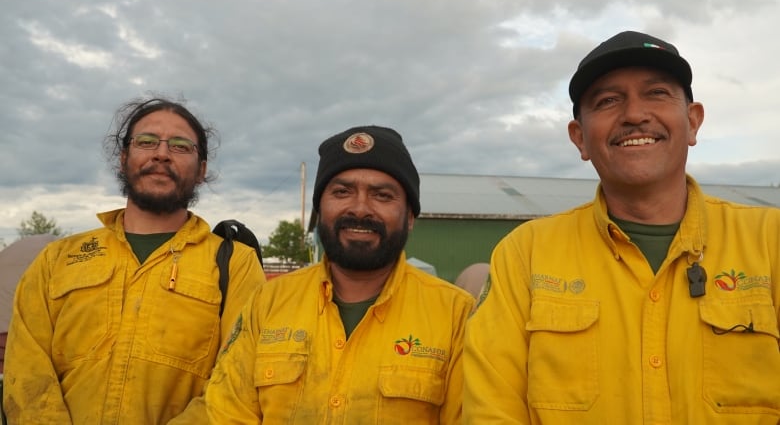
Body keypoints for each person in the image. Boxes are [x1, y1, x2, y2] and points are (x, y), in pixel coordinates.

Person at [464, 31, 780, 423]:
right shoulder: (524, 255)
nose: (634, 114)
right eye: (608, 101)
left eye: (657, 93)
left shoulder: (771, 241)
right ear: (580, 138)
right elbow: (490, 411)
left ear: (693, 122)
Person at [181, 125, 475, 423]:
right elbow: (225, 413)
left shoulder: (456, 316)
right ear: (319, 210)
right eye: (342, 192)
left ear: (410, 217)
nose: (360, 209)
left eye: (382, 195)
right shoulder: (268, 303)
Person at [2, 97, 266, 424]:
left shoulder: (235, 264)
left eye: (181, 146)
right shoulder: (57, 259)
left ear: (202, 170)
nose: (161, 153)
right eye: (146, 142)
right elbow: (26, 370)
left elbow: (237, 383)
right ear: (124, 157)